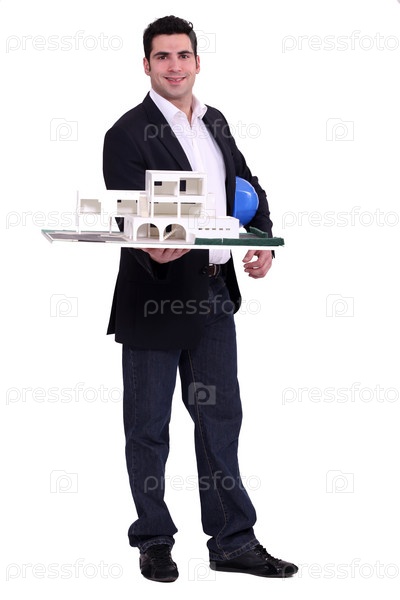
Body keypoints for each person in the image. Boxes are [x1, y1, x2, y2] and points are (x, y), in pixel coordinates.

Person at [103, 15, 298, 583]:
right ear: (146, 64)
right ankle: (154, 539)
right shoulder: (127, 132)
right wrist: (151, 250)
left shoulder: (216, 121)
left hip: (213, 295)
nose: (174, 66)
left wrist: (262, 239)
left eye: (183, 55)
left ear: (196, 61)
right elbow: (126, 211)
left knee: (220, 420)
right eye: (162, 56)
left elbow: (247, 185)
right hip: (155, 297)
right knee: (148, 426)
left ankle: (233, 541)